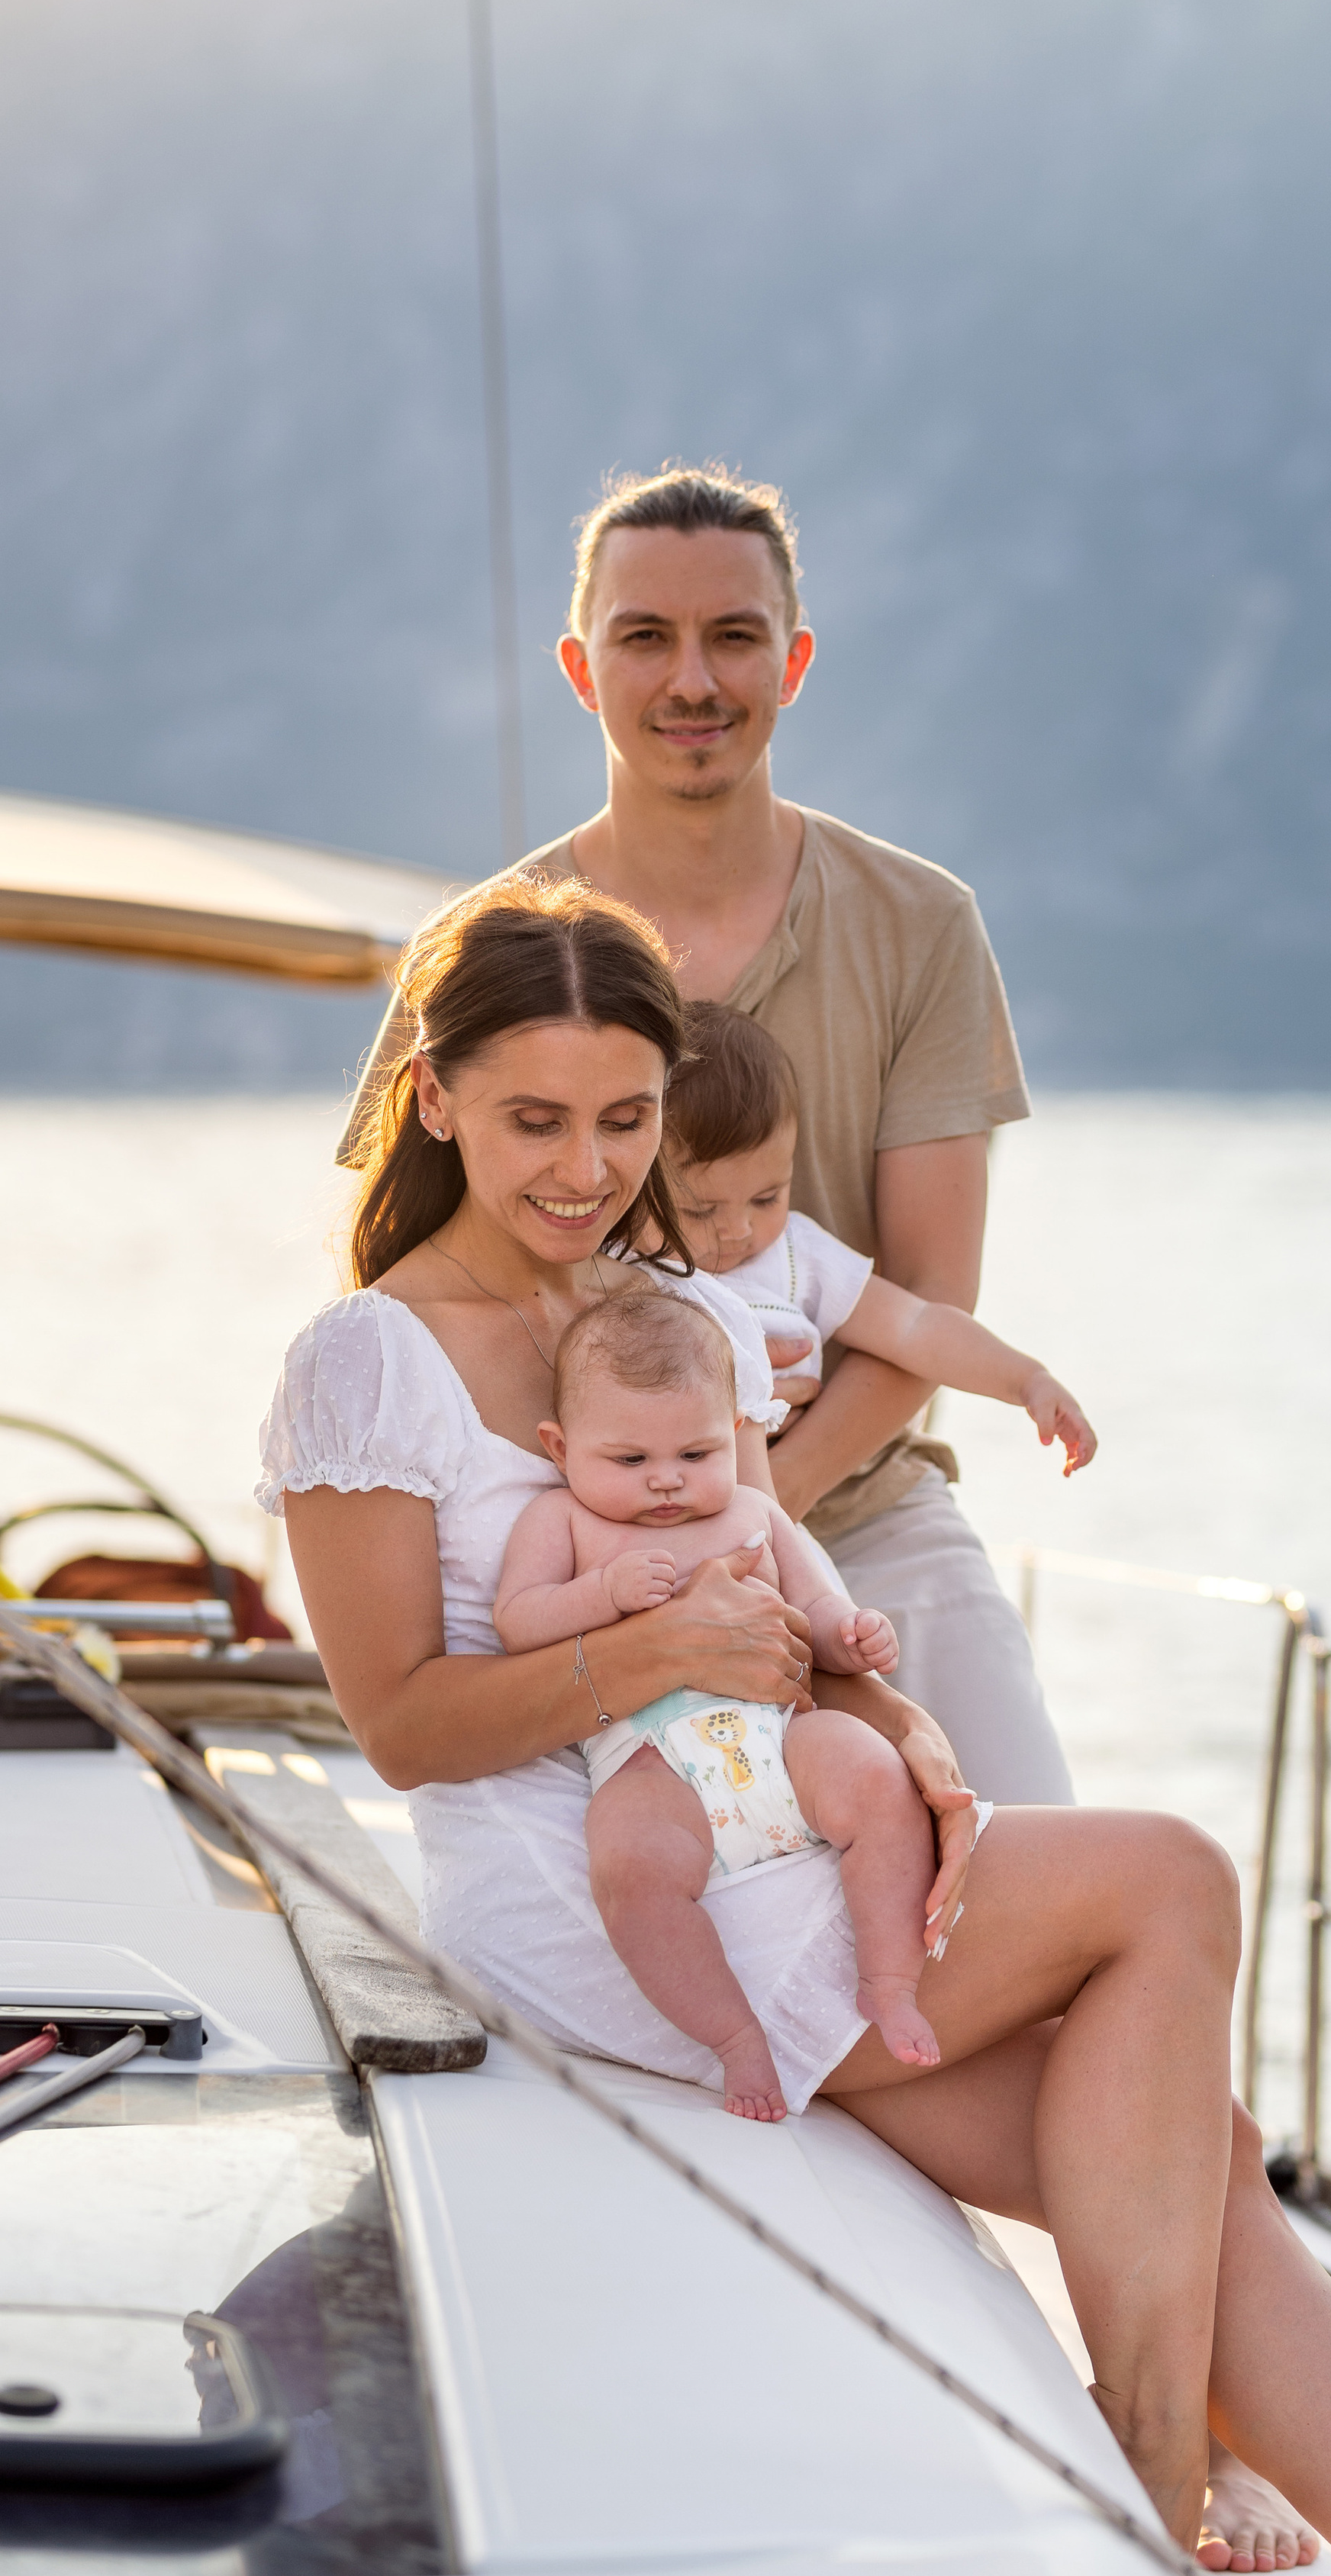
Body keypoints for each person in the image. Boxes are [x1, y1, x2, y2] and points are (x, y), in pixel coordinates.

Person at [272, 875, 1331, 2576]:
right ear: (434, 1094)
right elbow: (400, 1722)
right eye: (534, 1118)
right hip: (600, 1893)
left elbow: (775, 1561)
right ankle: (1151, 2472)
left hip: (778, 1815)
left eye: (623, 1119)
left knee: (1189, 2155)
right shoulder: (366, 1360)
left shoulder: (657, 1303)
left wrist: (910, 1733)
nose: (582, 1167)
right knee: (1166, 1878)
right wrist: (655, 1659)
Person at [340, 462, 1069, 1809]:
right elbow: (403, 1276)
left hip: (861, 1527)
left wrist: (754, 1513)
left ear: (790, 660)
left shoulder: (920, 927)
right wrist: (629, 1541)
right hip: (566, 1557)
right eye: (645, 637)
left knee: (1038, 1853)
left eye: (733, 636)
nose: (693, 681)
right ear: (580, 667)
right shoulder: (485, 953)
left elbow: (928, 1299)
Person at [493, 1284, 946, 2113]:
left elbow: (816, 1608)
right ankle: (734, 2039)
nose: (665, 1482)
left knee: (877, 1778)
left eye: (695, 1456)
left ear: (735, 1434)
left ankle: (889, 1980)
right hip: (652, 1760)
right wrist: (602, 1592)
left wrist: (852, 1634)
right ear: (560, 1448)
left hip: (780, 1737)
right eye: (629, 1462)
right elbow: (519, 1623)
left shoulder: (755, 1512)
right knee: (629, 1874)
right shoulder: (561, 1522)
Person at [662, 1001, 1096, 1477]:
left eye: (767, 1198)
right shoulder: (629, 1261)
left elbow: (915, 1327)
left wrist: (1026, 1380)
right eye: (701, 1210)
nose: (740, 1230)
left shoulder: (795, 1256)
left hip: (766, 1496)